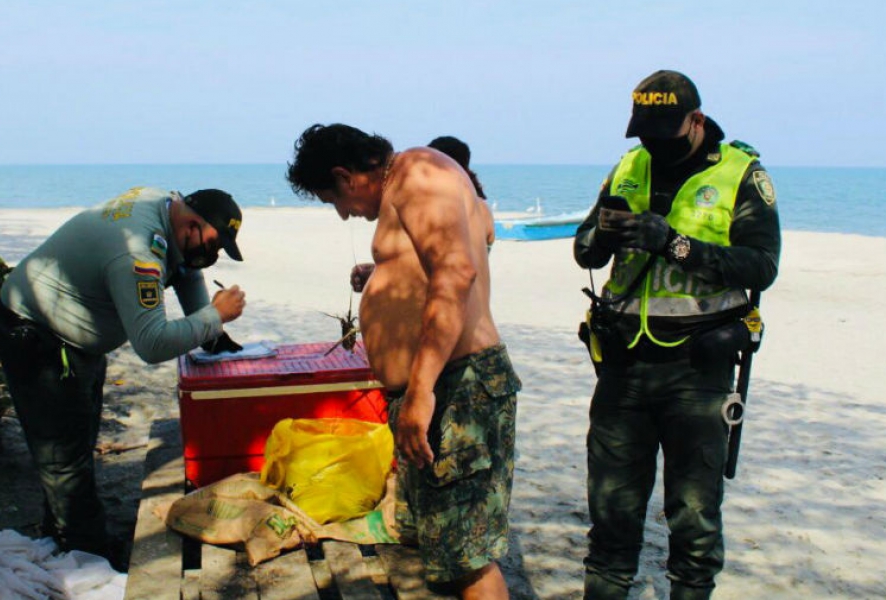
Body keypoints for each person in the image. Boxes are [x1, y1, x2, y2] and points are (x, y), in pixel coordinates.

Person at [287, 123, 521, 599]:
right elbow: (437, 263)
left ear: (346, 175)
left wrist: (420, 392)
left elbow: (457, 273)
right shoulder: (417, 179)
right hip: (445, 386)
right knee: (442, 547)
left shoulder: (417, 174)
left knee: (467, 559)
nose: (343, 214)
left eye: (333, 199)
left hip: (457, 389)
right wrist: (383, 278)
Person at [572, 70, 781, 599]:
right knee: (612, 508)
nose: (654, 147)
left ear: (697, 121)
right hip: (622, 367)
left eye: (665, 135)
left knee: (692, 513)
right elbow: (583, 249)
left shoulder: (740, 172)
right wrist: (601, 235)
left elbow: (761, 266)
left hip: (698, 370)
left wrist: (675, 244)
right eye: (645, 135)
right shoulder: (629, 166)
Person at [0, 186, 247, 568]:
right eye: (214, 243)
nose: (215, 254)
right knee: (64, 460)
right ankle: (87, 557)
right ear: (192, 224)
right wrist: (213, 316)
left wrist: (215, 339)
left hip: (75, 335)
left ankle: (61, 530)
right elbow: (152, 343)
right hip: (38, 338)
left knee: (78, 440)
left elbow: (186, 270)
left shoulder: (163, 210)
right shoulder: (137, 252)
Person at [350, 134, 495, 293]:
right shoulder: (448, 207)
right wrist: (378, 274)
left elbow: (457, 270)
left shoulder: (475, 208)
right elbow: (426, 267)